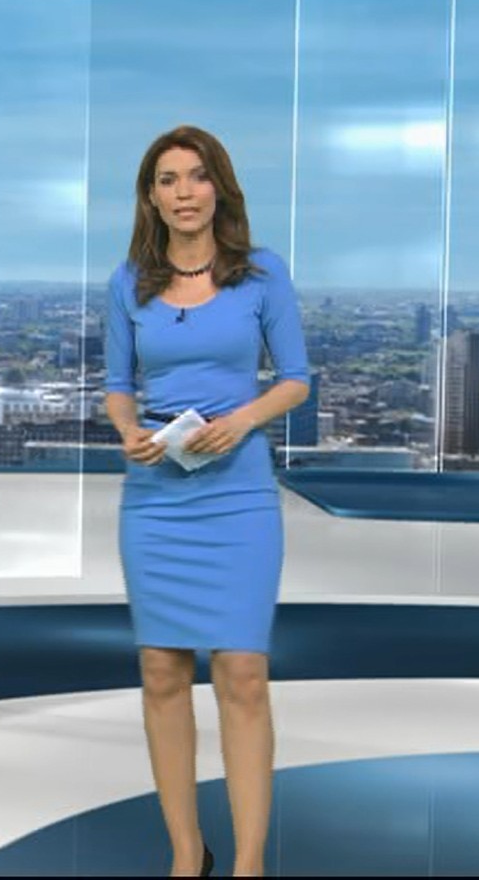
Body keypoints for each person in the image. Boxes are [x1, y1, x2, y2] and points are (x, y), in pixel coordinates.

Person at [102, 125, 311, 878]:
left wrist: (242, 421)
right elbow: (118, 386)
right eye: (168, 180)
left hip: (237, 491)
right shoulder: (129, 282)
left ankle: (249, 863)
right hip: (157, 493)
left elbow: (296, 379)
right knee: (162, 671)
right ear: (151, 198)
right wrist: (128, 430)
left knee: (243, 673)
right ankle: (187, 854)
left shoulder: (262, 275)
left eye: (196, 176)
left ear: (218, 187)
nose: (184, 192)